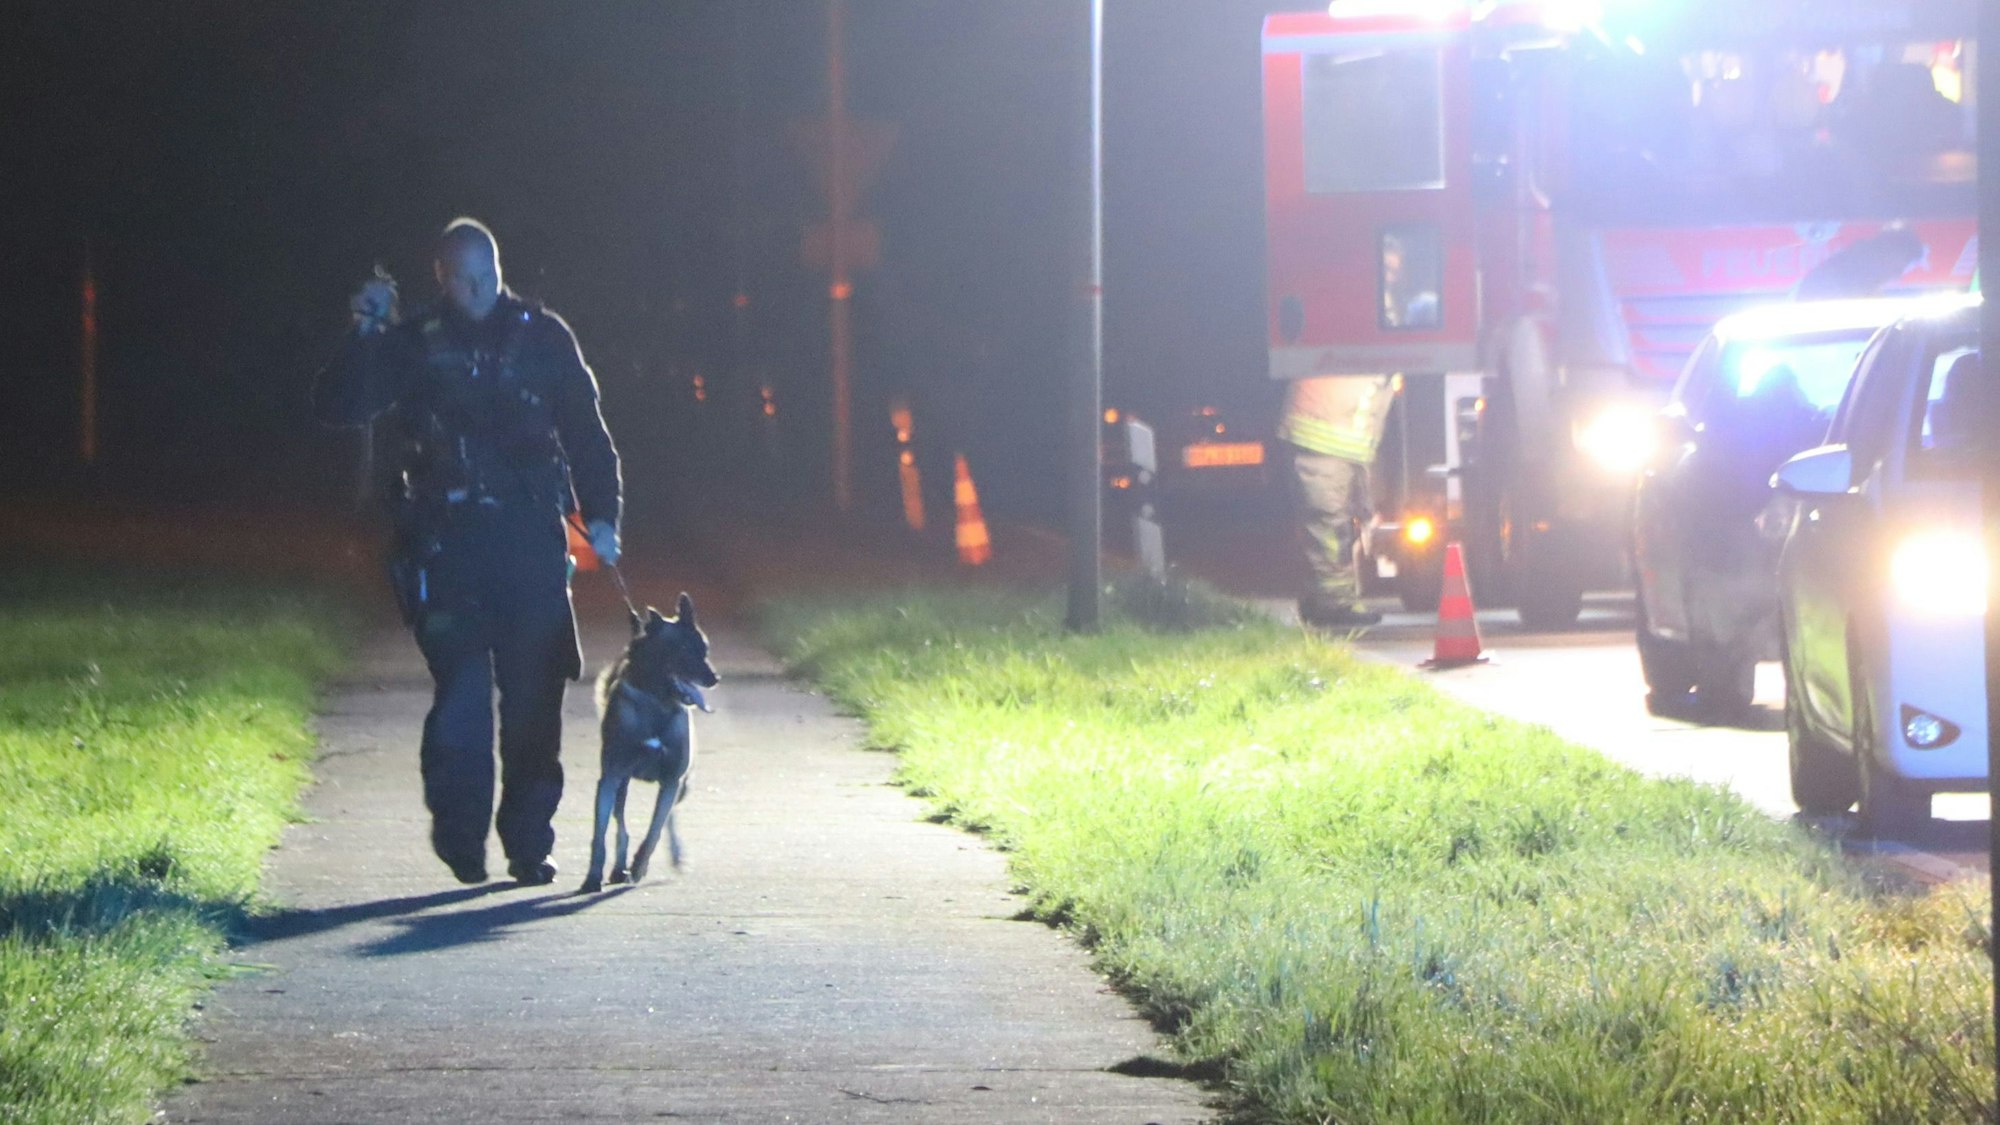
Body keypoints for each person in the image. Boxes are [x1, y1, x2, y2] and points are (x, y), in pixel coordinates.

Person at [314, 217, 623, 886]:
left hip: (529, 546)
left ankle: (529, 844)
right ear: (443, 280)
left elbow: (586, 431)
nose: (479, 291)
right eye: (465, 280)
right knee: (460, 699)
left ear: (500, 270)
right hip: (447, 548)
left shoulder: (543, 337)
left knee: (534, 702)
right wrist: (363, 333)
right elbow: (340, 404)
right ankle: (462, 839)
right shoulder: (414, 343)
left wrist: (603, 516)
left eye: (489, 278)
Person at [1279, 373, 1395, 628]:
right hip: (1323, 447)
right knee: (1329, 530)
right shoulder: (1368, 357)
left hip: (1329, 446)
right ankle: (1334, 604)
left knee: (1328, 529)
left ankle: (1321, 600)